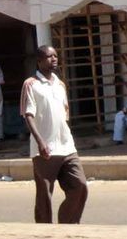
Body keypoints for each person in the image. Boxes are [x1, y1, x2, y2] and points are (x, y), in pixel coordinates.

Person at [20, 45, 87, 224]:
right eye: (49, 56)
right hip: (45, 149)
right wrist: (40, 142)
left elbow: (64, 115)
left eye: (55, 56)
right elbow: (28, 115)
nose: (54, 59)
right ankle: (45, 231)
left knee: (80, 186)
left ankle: (67, 224)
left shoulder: (60, 84)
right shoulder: (31, 84)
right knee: (45, 195)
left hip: (66, 147)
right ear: (39, 61)